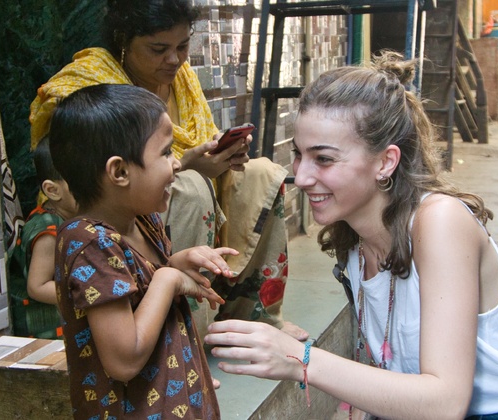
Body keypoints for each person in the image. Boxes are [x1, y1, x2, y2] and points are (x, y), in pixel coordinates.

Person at [205, 52, 498, 419]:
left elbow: (444, 403)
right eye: (300, 155)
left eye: (324, 159)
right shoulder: (352, 237)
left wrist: (300, 359)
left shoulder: (439, 222)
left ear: (386, 162)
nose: (302, 177)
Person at [29, 0, 308, 341]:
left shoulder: (180, 78)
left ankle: (249, 316)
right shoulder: (91, 83)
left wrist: (223, 156)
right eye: (158, 49)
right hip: (111, 200)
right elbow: (96, 172)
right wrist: (189, 163)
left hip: (165, 180)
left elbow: (188, 144)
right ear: (123, 41)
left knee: (263, 172)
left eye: (182, 46)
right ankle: (184, 330)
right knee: (190, 186)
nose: (174, 59)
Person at [50, 83, 232, 418]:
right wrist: (168, 279)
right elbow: (124, 359)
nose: (176, 164)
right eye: (165, 153)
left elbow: (136, 283)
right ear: (119, 172)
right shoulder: (89, 242)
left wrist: (178, 262)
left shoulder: (142, 220)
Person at [6, 137, 78, 339]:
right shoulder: (48, 230)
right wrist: (86, 294)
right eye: (82, 183)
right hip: (43, 331)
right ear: (53, 190)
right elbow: (37, 287)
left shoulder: (70, 217)